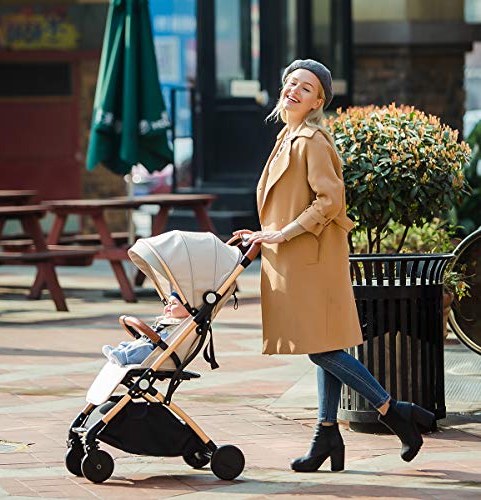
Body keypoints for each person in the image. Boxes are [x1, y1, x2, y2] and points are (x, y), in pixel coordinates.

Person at [234, 59, 435, 473]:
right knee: (326, 344)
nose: (294, 90)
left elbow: (329, 202)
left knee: (320, 347)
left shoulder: (313, 140)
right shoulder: (288, 136)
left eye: (305, 88)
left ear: (318, 101)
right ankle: (327, 433)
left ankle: (393, 411)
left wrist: (281, 234)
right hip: (293, 255)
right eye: (290, 83)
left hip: (310, 259)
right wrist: (262, 235)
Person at [102, 292, 190, 366]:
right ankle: (119, 351)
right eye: (168, 303)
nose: (168, 307)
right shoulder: (167, 320)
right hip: (151, 342)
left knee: (143, 349)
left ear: (188, 309)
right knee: (135, 344)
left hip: (157, 351)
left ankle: (123, 357)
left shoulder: (184, 324)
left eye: (174, 304)